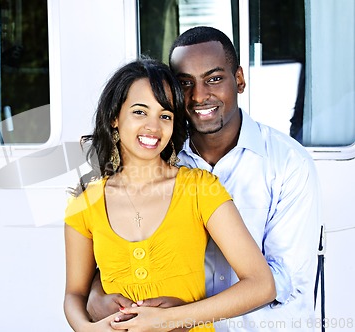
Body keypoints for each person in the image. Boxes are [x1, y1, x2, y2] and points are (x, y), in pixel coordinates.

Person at [88, 27, 322, 332]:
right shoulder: (159, 160)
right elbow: (116, 246)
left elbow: (281, 280)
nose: (199, 96)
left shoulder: (289, 163)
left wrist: (185, 313)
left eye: (214, 79)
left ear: (239, 80)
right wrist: (96, 293)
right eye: (185, 83)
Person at [63, 57, 276, 332]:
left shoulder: (200, 188)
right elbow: (74, 295)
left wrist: (170, 319)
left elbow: (262, 285)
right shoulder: (83, 204)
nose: (153, 126)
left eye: (165, 115)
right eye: (140, 112)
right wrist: (88, 328)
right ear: (115, 117)